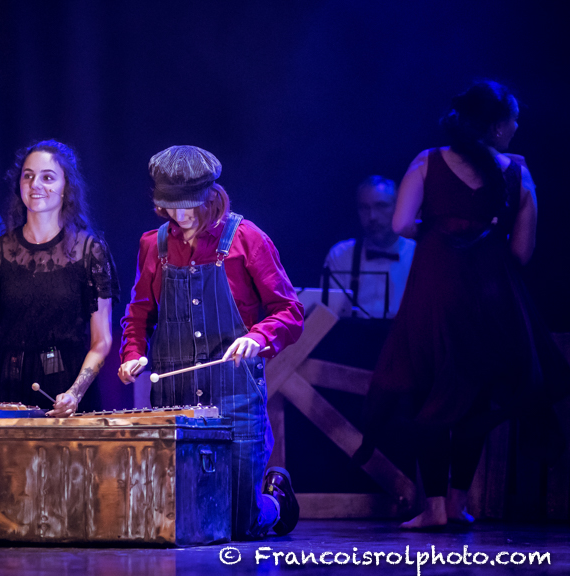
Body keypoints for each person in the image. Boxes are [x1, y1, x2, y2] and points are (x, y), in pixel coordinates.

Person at [357, 81, 568, 529]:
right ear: (494, 126)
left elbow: (400, 224)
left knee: (429, 389)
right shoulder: (520, 173)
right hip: (492, 299)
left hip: (436, 289)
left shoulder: (427, 161)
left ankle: (433, 507)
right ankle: (456, 503)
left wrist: (441, 231)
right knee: (475, 397)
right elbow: (522, 254)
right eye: (512, 119)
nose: (516, 126)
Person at [118, 145, 304, 539]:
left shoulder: (247, 238)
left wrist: (258, 336)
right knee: (184, 522)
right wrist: (132, 354)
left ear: (210, 196)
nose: (180, 216)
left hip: (234, 394)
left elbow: (290, 312)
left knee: (239, 523)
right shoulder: (154, 244)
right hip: (175, 394)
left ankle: (275, 500)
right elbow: (138, 314)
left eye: (189, 206)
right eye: (171, 207)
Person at [0, 140, 117, 417]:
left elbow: (101, 340)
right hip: (8, 385)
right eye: (28, 175)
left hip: (67, 389)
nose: (35, 184)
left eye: (48, 177)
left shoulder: (90, 251)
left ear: (67, 187)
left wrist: (75, 393)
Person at [323, 176, 416, 319]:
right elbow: (327, 316)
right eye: (364, 208)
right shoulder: (341, 255)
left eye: (381, 206)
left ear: (398, 207)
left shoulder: (417, 254)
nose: (372, 216)